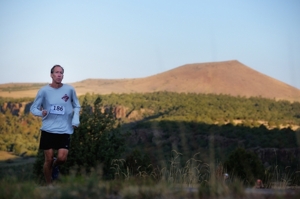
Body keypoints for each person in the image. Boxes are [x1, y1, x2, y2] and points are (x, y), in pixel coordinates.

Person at [30, 64, 81, 185]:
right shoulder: (44, 91)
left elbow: (77, 106)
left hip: (65, 129)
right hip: (48, 129)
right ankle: (49, 186)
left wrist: (76, 119)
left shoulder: (69, 90)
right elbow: (33, 108)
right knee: (48, 159)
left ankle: (55, 165)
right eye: (56, 72)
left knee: (62, 158)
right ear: (51, 75)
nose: (59, 75)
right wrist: (41, 112)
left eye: (61, 73)